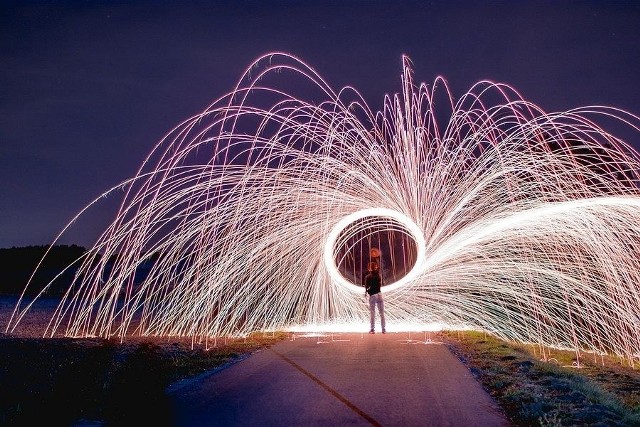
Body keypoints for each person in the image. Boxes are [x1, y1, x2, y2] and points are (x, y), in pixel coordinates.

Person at [363, 261, 386, 334]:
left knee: (372, 313)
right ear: (375, 268)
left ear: (369, 268)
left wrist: (367, 291)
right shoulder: (378, 276)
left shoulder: (368, 277)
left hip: (373, 296)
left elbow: (366, 287)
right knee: (382, 313)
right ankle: (383, 329)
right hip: (379, 295)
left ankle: (372, 329)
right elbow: (379, 285)